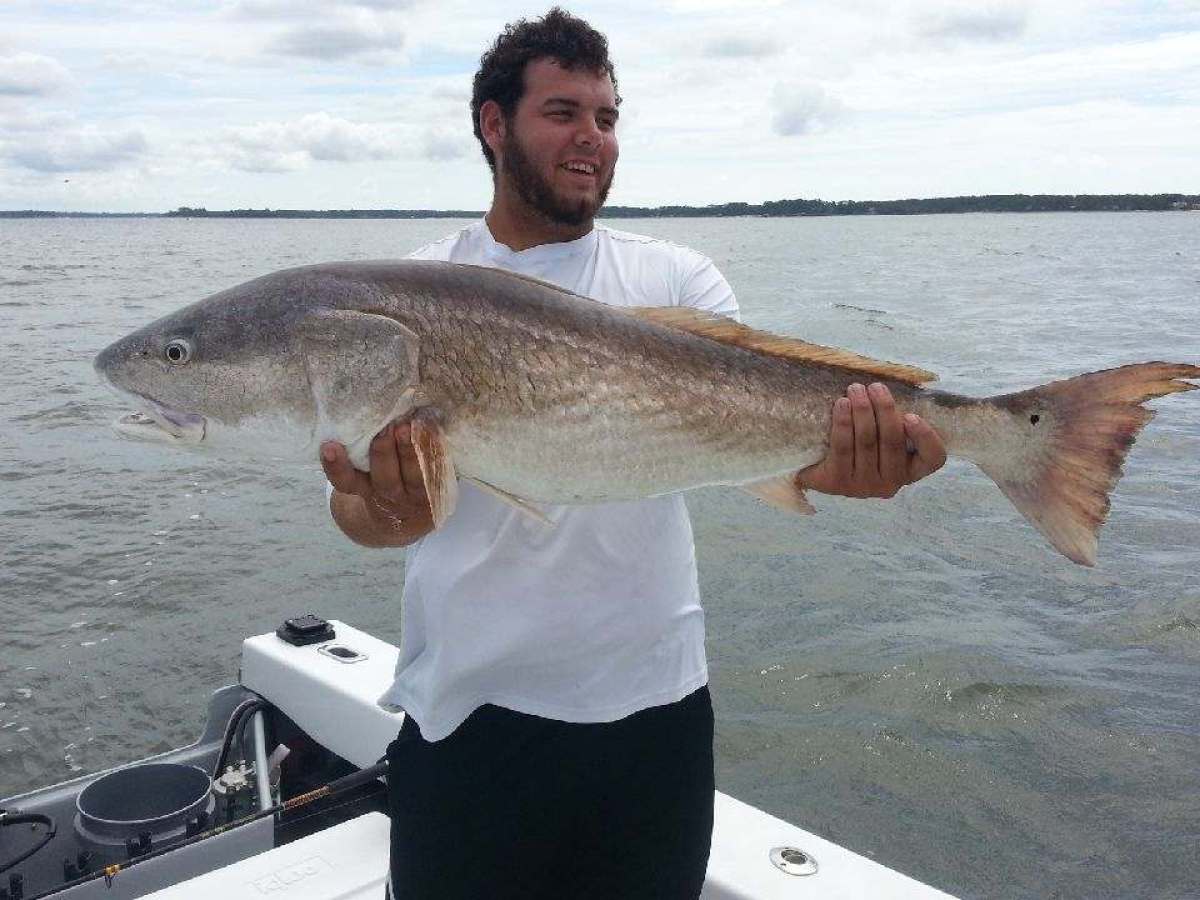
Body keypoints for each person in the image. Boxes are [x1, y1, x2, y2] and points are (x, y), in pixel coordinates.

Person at [320, 8, 947, 899]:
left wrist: (858, 463)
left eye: (607, 118)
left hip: (654, 720)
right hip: (468, 715)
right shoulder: (406, 298)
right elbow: (362, 516)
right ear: (494, 125)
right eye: (563, 112)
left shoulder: (675, 281)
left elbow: (787, 448)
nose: (592, 139)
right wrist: (386, 504)